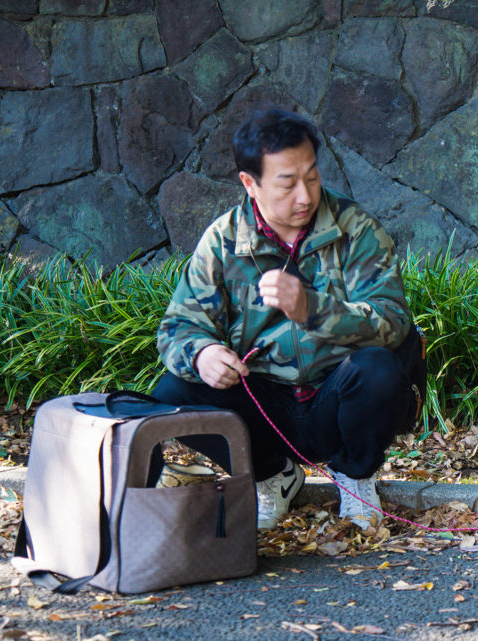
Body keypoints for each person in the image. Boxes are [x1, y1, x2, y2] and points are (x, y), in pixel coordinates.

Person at [153, 108, 423, 530]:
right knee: (173, 388)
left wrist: (314, 310)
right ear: (250, 182)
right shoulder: (223, 242)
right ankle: (273, 476)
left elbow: (393, 321)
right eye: (287, 183)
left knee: (379, 368)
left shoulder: (355, 229)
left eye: (312, 177)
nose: (305, 195)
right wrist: (202, 352)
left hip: (336, 397)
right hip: (265, 403)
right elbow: (177, 329)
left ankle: (355, 477)